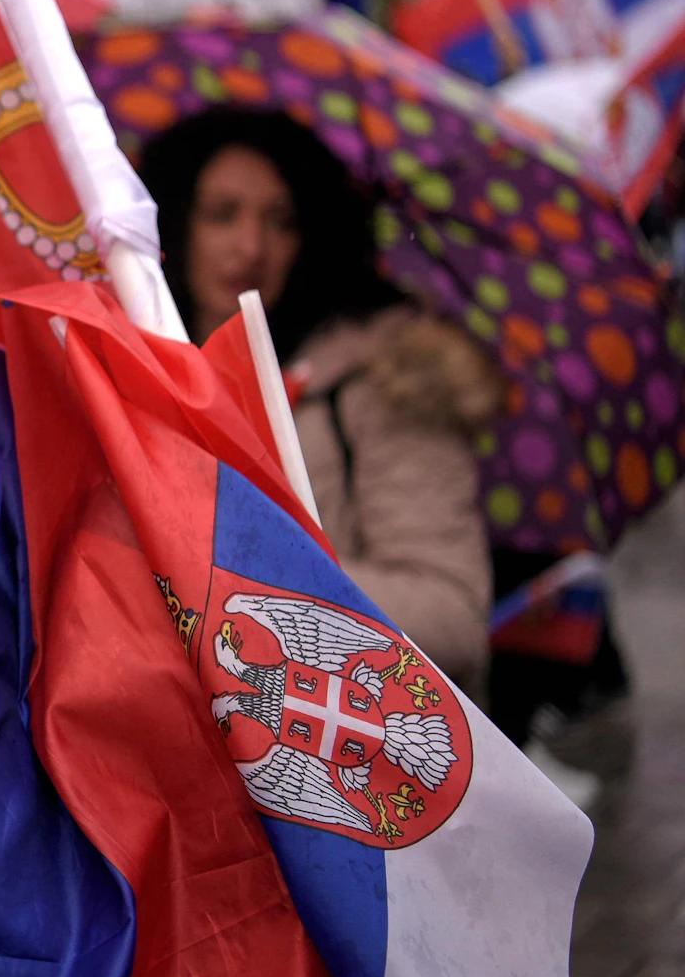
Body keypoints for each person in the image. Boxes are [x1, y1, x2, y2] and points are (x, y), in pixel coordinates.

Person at [143, 108, 501, 684]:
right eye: (222, 214)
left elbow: (451, 618)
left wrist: (242, 573)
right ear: (176, 222)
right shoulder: (131, 372)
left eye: (281, 220)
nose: (250, 245)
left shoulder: (386, 381)